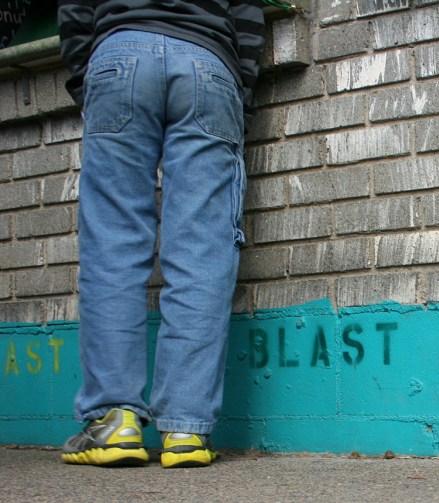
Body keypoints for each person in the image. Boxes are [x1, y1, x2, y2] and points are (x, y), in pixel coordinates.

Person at [56, 0, 265, 468]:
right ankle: (186, 431)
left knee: (112, 245)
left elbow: (73, 12)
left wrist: (87, 80)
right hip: (208, 63)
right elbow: (249, 18)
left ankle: (114, 421)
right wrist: (239, 91)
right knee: (202, 252)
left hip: (118, 53)